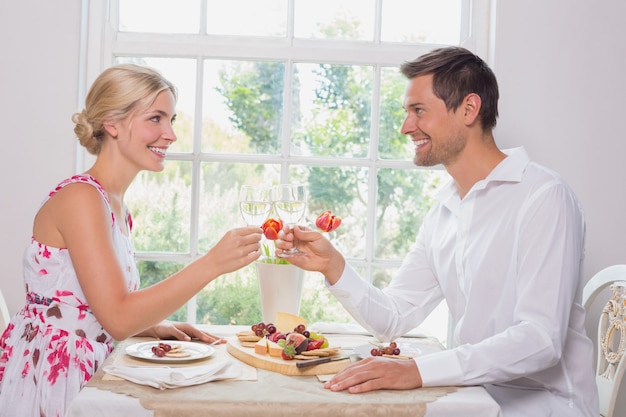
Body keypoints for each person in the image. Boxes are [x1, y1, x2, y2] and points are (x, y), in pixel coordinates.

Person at [276, 47, 599, 417]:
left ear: (468, 109)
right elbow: (395, 317)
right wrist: (333, 265)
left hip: (546, 407)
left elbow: (541, 340)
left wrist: (416, 370)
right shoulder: (444, 210)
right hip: (473, 397)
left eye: (419, 111)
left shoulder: (543, 197)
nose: (406, 127)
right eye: (407, 113)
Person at [0, 64, 262, 417]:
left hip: (81, 370)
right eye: (155, 118)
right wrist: (211, 264)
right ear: (112, 123)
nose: (170, 134)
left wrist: (153, 324)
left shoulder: (113, 203)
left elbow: (87, 301)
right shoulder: (81, 198)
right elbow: (119, 320)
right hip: (50, 380)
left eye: (171, 119)